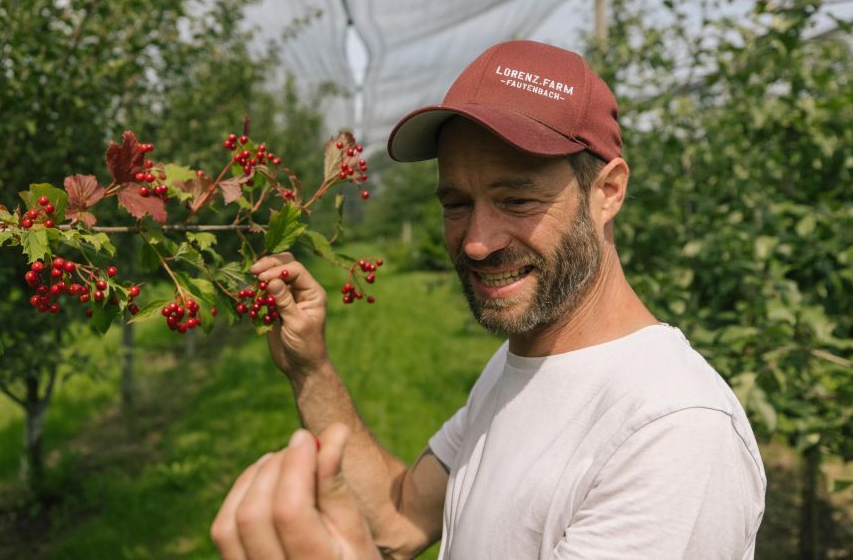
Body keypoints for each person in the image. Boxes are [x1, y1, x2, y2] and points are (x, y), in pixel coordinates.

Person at [211, 40, 767, 559]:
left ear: (607, 191)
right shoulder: (518, 365)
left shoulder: (671, 432)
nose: (477, 241)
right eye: (457, 203)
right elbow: (399, 517)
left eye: (517, 199)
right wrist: (311, 366)